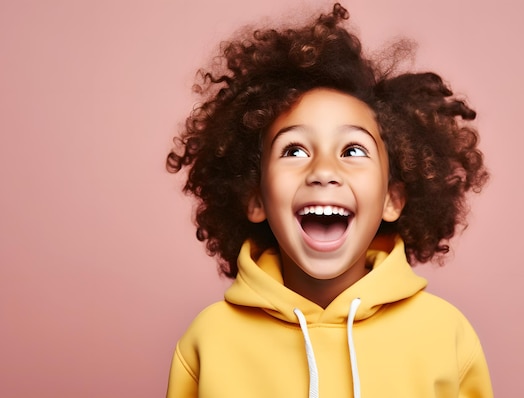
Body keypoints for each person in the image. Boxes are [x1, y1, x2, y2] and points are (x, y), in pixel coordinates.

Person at [165, 3, 492, 397]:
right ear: (256, 199)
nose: (323, 170)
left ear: (392, 198)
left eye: (353, 151)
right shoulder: (208, 340)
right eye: (294, 151)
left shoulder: (446, 335)